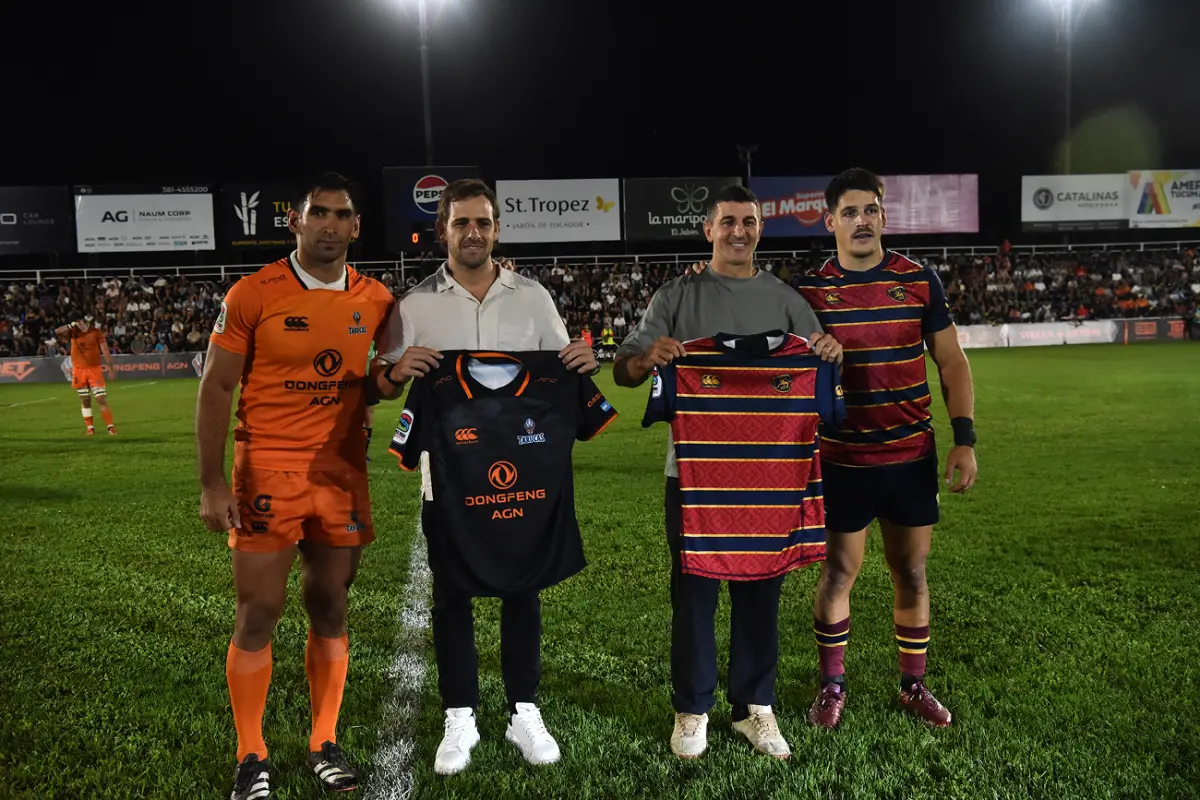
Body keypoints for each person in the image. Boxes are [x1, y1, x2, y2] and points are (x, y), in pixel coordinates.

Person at [371, 178, 599, 776]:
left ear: (496, 228)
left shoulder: (533, 297)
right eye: (461, 223)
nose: (473, 232)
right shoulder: (414, 306)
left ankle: (524, 709)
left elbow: (561, 364)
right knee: (451, 591)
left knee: (523, 587)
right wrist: (395, 371)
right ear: (442, 230)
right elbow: (381, 380)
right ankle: (460, 714)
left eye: (483, 222)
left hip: (524, 469)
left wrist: (583, 361)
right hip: (447, 475)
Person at [613, 184, 843, 760]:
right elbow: (623, 370)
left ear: (760, 229)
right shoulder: (676, 295)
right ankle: (692, 709)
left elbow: (819, 363)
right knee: (694, 593)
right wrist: (647, 359)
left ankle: (754, 707)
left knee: (763, 591)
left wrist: (828, 353)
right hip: (694, 476)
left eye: (749, 221)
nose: (739, 231)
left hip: (773, 477)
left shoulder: (788, 301)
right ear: (709, 230)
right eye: (729, 222)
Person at [195, 172, 394, 799]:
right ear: (296, 222)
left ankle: (323, 741)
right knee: (258, 610)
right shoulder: (253, 293)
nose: (330, 225)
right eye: (319, 213)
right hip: (267, 470)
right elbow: (216, 386)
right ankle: (251, 753)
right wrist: (211, 483)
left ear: (356, 227)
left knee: (330, 604)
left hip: (341, 474)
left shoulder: (378, 299)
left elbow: (387, 376)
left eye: (342, 215)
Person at [793, 168, 977, 730]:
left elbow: (951, 361)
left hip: (910, 456)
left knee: (912, 572)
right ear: (830, 222)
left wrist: (964, 439)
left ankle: (913, 685)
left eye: (870, 210)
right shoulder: (808, 292)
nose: (862, 221)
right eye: (849, 212)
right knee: (838, 574)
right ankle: (831, 686)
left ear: (884, 216)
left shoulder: (919, 280)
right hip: (841, 459)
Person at [56, 314, 118, 435]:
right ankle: (90, 428)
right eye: (75, 322)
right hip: (79, 370)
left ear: (83, 321)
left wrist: (110, 367)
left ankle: (110, 427)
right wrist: (71, 325)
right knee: (85, 400)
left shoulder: (96, 332)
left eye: (78, 321)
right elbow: (57, 331)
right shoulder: (72, 331)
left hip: (94, 369)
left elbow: (105, 349)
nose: (78, 324)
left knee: (100, 399)